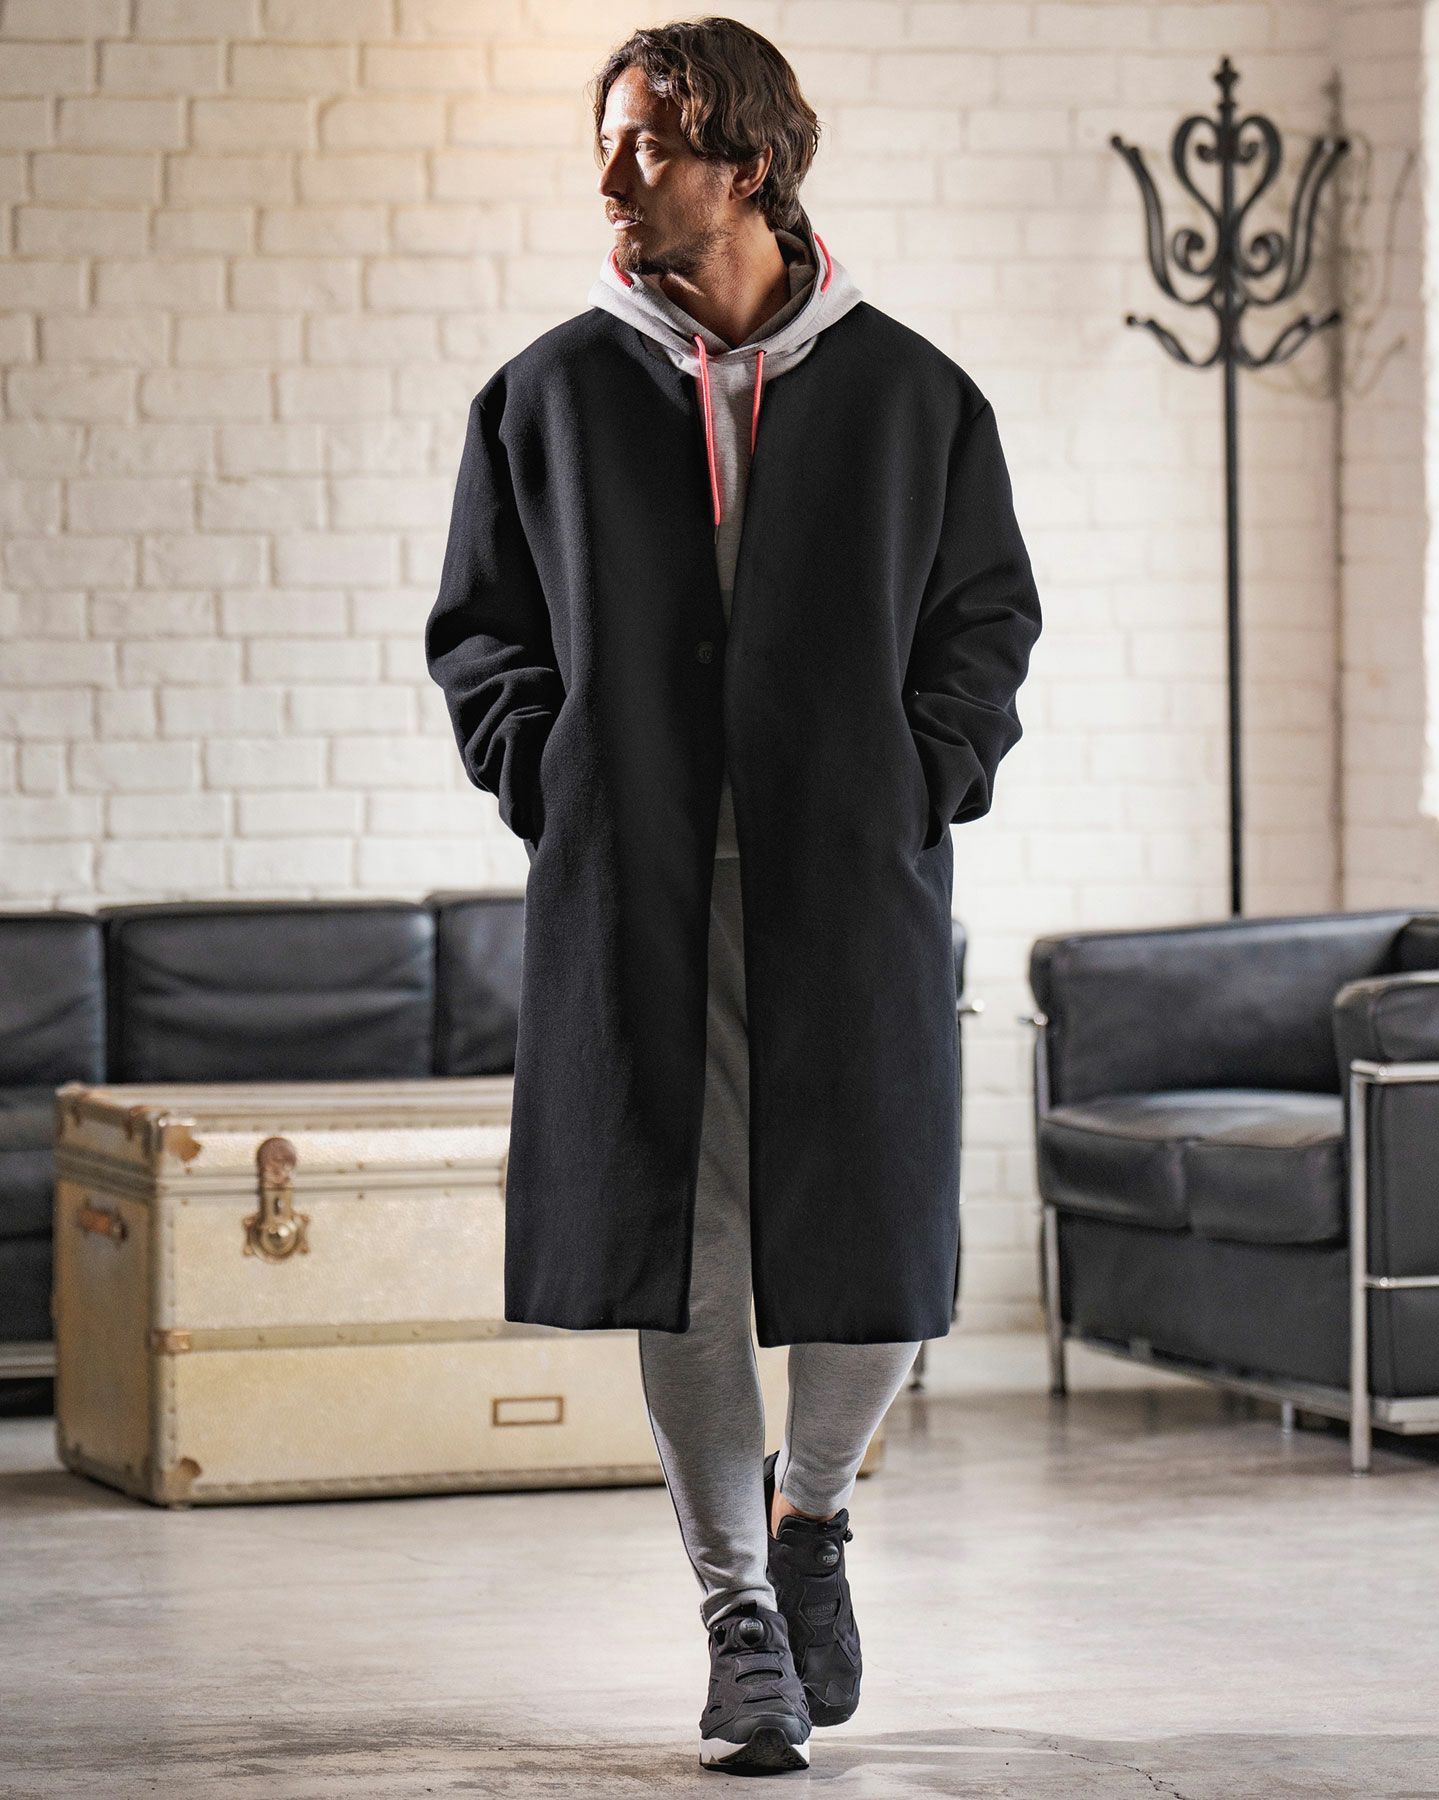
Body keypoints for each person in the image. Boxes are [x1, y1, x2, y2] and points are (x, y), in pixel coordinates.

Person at [426, 15, 1042, 1777]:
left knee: (878, 1255)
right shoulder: (546, 393)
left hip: (852, 890)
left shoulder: (917, 393)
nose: (609, 174)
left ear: (747, 163)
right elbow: (481, 633)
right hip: (639, 903)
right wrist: (546, 776)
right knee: (683, 1258)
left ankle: (813, 1510)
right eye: (606, 139)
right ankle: (740, 1622)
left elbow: (986, 621)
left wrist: (922, 776)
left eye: (646, 143)